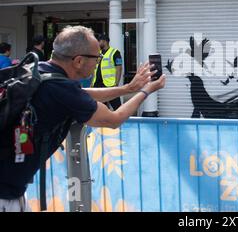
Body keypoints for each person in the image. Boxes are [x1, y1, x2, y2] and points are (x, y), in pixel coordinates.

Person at [0, 26, 166, 212]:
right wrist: (147, 91)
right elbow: (113, 119)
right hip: (5, 197)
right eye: (97, 57)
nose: (98, 62)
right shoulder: (61, 89)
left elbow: (83, 93)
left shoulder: (38, 71)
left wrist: (128, 89)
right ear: (78, 61)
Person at [91, 34, 123, 110]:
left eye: (99, 41)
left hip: (110, 84)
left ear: (104, 41)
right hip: (97, 84)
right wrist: (92, 82)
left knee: (117, 107)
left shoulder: (115, 52)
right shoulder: (97, 53)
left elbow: (119, 68)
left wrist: (116, 83)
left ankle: (121, 121)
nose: (97, 43)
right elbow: (94, 68)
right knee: (99, 107)